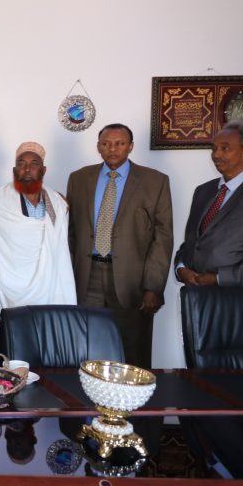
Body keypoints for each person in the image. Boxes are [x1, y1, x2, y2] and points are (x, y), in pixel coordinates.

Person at [66, 123, 173, 369]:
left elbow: (163, 236)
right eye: (106, 144)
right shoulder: (79, 178)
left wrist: (153, 286)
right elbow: (70, 232)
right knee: (86, 346)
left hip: (133, 280)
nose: (112, 149)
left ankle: (133, 394)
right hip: (87, 276)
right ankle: (88, 393)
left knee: (132, 350)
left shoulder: (155, 181)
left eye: (119, 144)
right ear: (98, 147)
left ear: (130, 147)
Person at [0, 142, 76, 327]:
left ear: (43, 170)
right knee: (13, 341)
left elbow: (59, 249)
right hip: (7, 291)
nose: (27, 169)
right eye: (21, 164)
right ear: (14, 170)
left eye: (34, 164)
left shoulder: (58, 203)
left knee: (46, 339)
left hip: (49, 288)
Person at [175, 121, 243, 287]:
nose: (216, 155)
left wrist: (217, 278)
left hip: (236, 297)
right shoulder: (203, 191)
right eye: (213, 149)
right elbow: (192, 242)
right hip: (196, 296)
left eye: (225, 148)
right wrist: (180, 268)